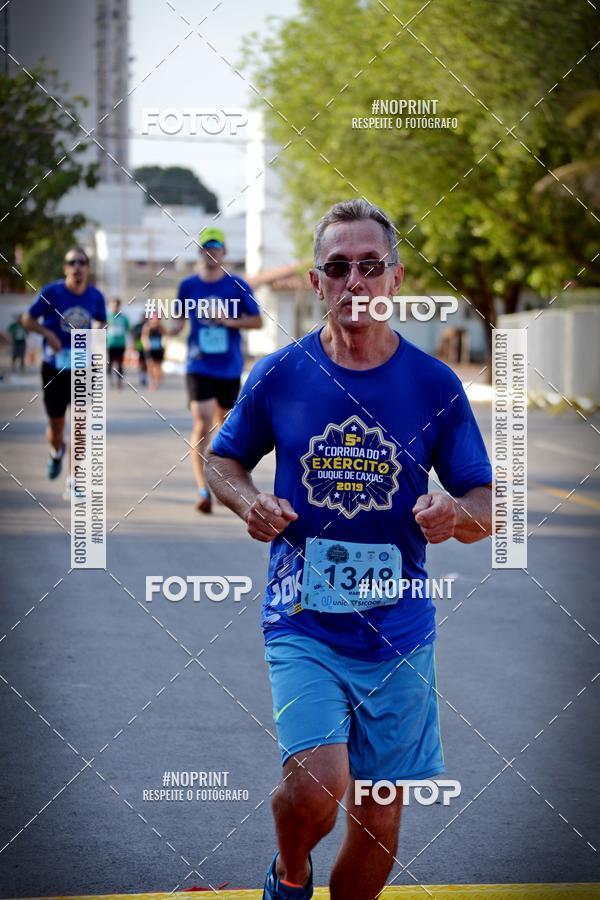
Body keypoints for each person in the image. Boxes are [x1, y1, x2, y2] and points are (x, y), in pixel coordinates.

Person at [206, 200, 493, 900]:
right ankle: (291, 874)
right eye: (338, 268)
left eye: (370, 265)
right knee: (318, 786)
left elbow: (486, 507)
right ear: (317, 282)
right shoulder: (281, 374)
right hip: (302, 619)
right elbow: (222, 460)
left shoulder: (434, 385)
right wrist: (249, 502)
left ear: (395, 278)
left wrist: (455, 513)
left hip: (399, 631)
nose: (355, 281)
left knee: (378, 815)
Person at [170, 226, 262, 514]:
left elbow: (257, 321)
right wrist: (164, 327)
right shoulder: (188, 286)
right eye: (207, 248)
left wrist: (229, 321)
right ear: (201, 252)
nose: (211, 253)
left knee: (225, 429)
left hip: (229, 367)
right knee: (202, 422)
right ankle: (203, 490)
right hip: (198, 364)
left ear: (224, 252)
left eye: (216, 248)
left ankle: (222, 483)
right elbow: (177, 323)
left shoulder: (237, 285)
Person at [22, 247, 106, 483]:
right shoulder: (52, 292)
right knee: (56, 427)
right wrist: (47, 333)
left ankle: (74, 478)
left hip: (83, 367)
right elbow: (27, 319)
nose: (77, 266)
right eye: (72, 262)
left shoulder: (96, 296)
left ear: (88, 268)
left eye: (81, 262)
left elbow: (101, 321)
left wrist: (97, 335)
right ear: (65, 268)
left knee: (80, 423)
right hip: (54, 368)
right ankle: (56, 451)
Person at [106, 298, 129, 388]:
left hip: (120, 344)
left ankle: (119, 381)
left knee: (120, 363)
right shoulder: (107, 317)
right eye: (112, 305)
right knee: (110, 362)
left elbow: (128, 330)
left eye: (116, 305)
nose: (114, 307)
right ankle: (110, 379)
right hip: (109, 344)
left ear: (119, 306)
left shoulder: (124, 318)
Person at [142, 312, 166, 390]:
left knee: (157, 366)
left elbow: (165, 336)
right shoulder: (147, 327)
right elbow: (144, 337)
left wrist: (165, 345)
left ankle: (157, 380)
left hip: (158, 349)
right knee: (150, 365)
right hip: (149, 350)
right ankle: (152, 382)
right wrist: (146, 344)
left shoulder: (161, 328)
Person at [131, 315, 148, 386]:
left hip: (147, 347)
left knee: (146, 362)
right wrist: (133, 345)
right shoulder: (137, 326)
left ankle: (145, 376)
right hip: (139, 346)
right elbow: (133, 336)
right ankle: (141, 375)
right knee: (141, 361)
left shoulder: (148, 326)